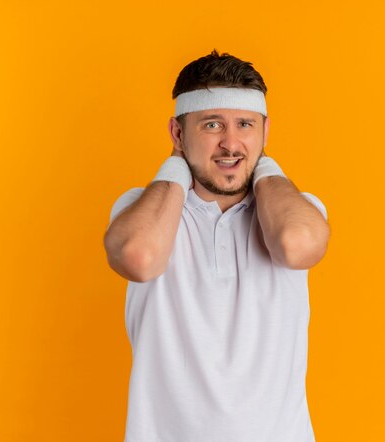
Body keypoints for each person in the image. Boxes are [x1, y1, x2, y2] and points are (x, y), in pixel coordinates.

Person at [104, 49, 331, 442]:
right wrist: (177, 165)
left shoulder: (296, 209)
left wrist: (262, 163)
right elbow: (139, 257)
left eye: (245, 124)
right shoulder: (139, 209)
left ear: (265, 131)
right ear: (178, 133)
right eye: (212, 125)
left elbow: (297, 245)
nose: (231, 143)